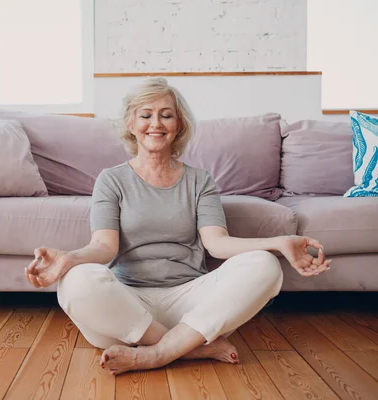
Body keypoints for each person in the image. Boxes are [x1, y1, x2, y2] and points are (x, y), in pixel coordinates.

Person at [24, 77, 331, 375]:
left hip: (191, 302)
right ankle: (191, 347)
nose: (155, 123)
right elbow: (104, 247)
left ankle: (158, 353)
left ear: (179, 125)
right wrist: (68, 259)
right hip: (126, 308)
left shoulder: (200, 180)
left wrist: (278, 243)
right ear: (131, 125)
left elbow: (217, 243)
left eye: (166, 115)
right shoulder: (112, 179)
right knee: (74, 280)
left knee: (265, 266)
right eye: (146, 115)